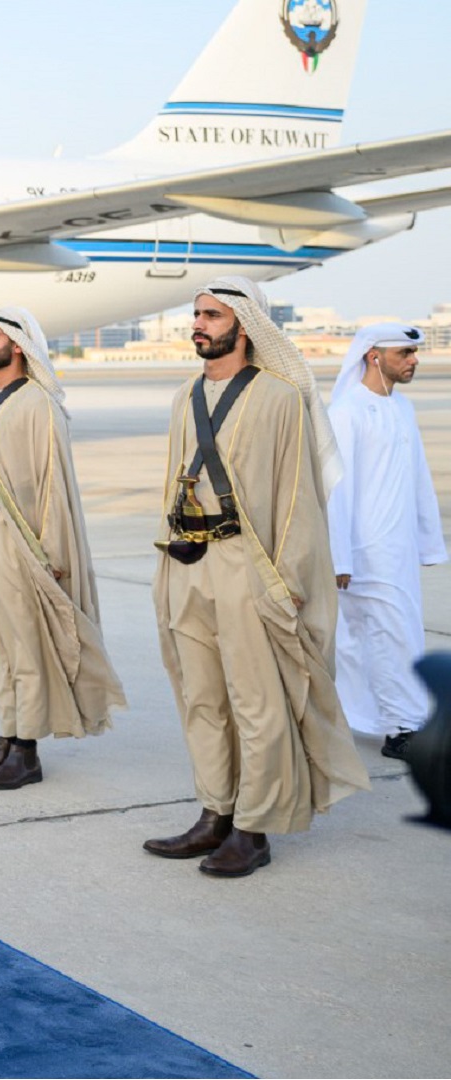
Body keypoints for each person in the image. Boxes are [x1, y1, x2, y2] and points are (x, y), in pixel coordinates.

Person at [145, 276, 370, 877]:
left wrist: (289, 577)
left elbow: (300, 497)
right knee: (201, 697)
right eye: (196, 314)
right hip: (188, 562)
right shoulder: (183, 396)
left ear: (244, 326)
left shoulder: (277, 397)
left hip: (250, 567)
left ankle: (255, 826)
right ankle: (216, 811)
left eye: (212, 315)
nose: (199, 324)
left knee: (257, 700)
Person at [0, 309, 124, 788]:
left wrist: (51, 554)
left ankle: (26, 751)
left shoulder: (37, 404)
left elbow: (53, 488)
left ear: (18, 345)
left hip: (18, 538)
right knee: (0, 643)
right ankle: (7, 736)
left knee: (25, 645)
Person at [326, 323, 445, 760]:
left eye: (415, 353)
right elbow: (335, 491)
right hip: (364, 554)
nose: (414, 361)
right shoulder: (346, 412)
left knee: (384, 637)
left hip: (399, 552)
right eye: (405, 354)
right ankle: (403, 729)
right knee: (385, 638)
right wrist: (339, 555)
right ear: (374, 356)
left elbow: (418, 481)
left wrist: (428, 543)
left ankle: (369, 717)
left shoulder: (403, 409)